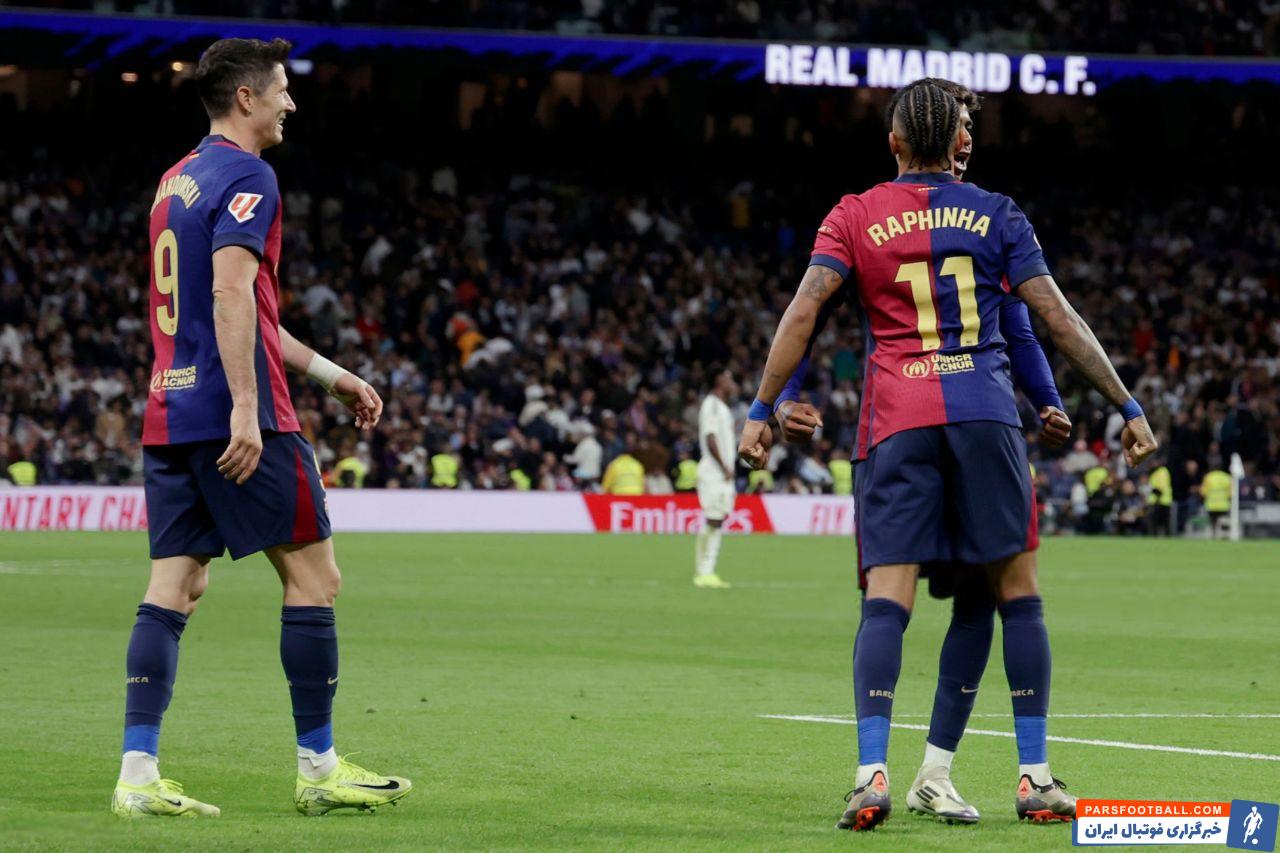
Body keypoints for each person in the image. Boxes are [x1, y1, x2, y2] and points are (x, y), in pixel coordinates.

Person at [738, 77, 1157, 832]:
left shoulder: (853, 214)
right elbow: (1055, 318)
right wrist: (1125, 405)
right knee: (1012, 596)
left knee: (886, 602)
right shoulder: (999, 214)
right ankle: (1033, 776)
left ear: (894, 141)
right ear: (958, 141)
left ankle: (872, 775)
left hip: (896, 422)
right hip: (985, 421)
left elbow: (806, 310)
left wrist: (762, 409)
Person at [113, 38, 411, 818]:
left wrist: (334, 374)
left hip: (170, 409)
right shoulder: (250, 174)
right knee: (316, 579)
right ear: (245, 97)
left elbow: (241, 306)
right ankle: (319, 767)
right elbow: (231, 294)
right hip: (239, 415)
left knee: (175, 586)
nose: (290, 103)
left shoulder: (175, 180)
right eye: (281, 89)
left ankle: (137, 775)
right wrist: (246, 409)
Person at [694, 369, 738, 589]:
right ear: (719, 380)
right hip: (714, 471)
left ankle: (707, 570)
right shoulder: (711, 404)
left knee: (718, 519)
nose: (733, 384)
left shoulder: (722, 407)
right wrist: (724, 466)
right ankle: (703, 572)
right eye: (729, 379)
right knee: (713, 519)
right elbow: (710, 437)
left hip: (723, 473)